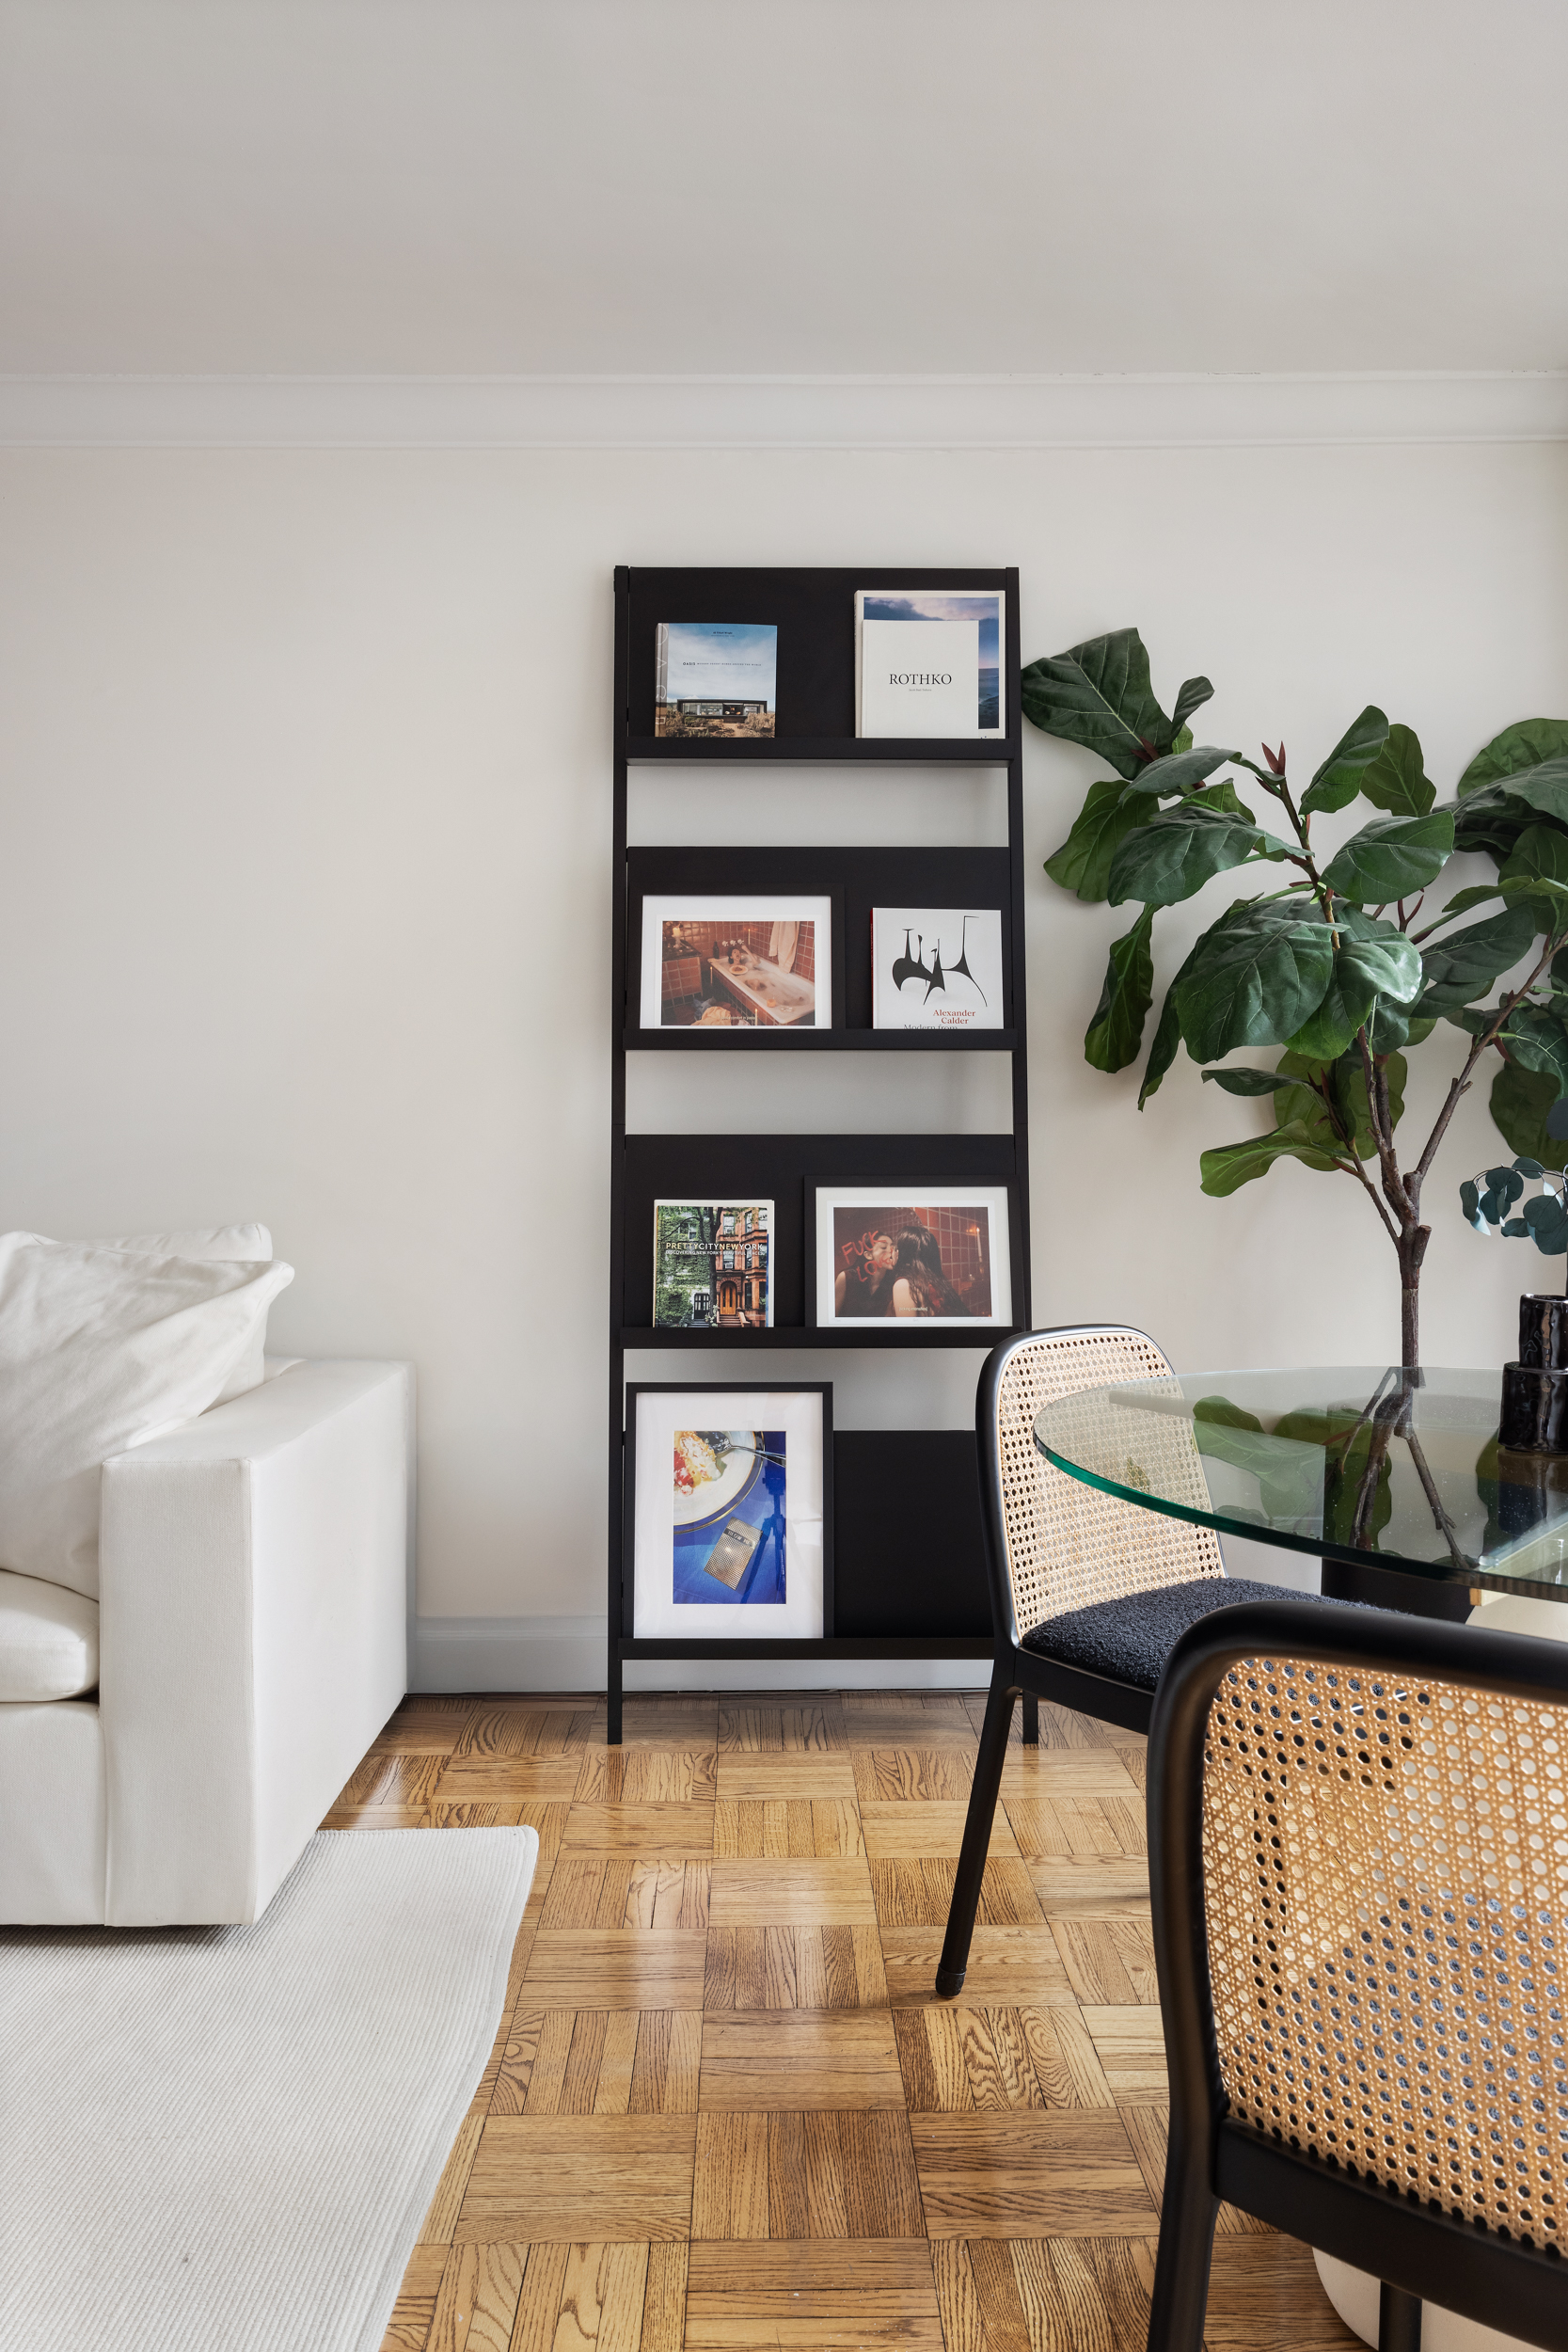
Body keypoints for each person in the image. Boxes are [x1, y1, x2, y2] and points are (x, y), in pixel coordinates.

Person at [886, 1224, 968, 1317]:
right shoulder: (937, 1282)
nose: (890, 1253)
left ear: (902, 1253)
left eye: (894, 1248)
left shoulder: (903, 1285)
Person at [834, 1227, 899, 1316]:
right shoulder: (847, 1277)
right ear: (868, 1255)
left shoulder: (894, 1284)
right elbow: (833, 1316)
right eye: (883, 1247)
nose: (891, 1251)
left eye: (893, 1247)